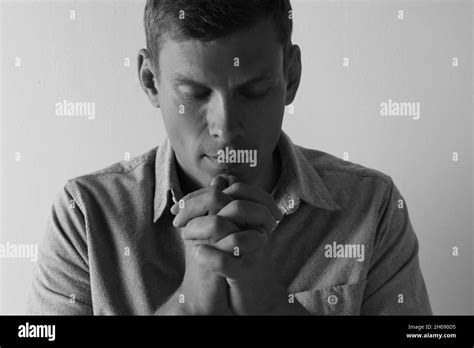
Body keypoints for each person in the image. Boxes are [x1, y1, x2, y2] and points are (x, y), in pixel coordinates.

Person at [27, 0, 432, 315]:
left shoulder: (371, 208)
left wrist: (275, 308)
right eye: (195, 94)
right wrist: (188, 305)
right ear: (151, 82)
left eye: (252, 92)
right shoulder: (84, 217)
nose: (226, 127)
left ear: (291, 77)